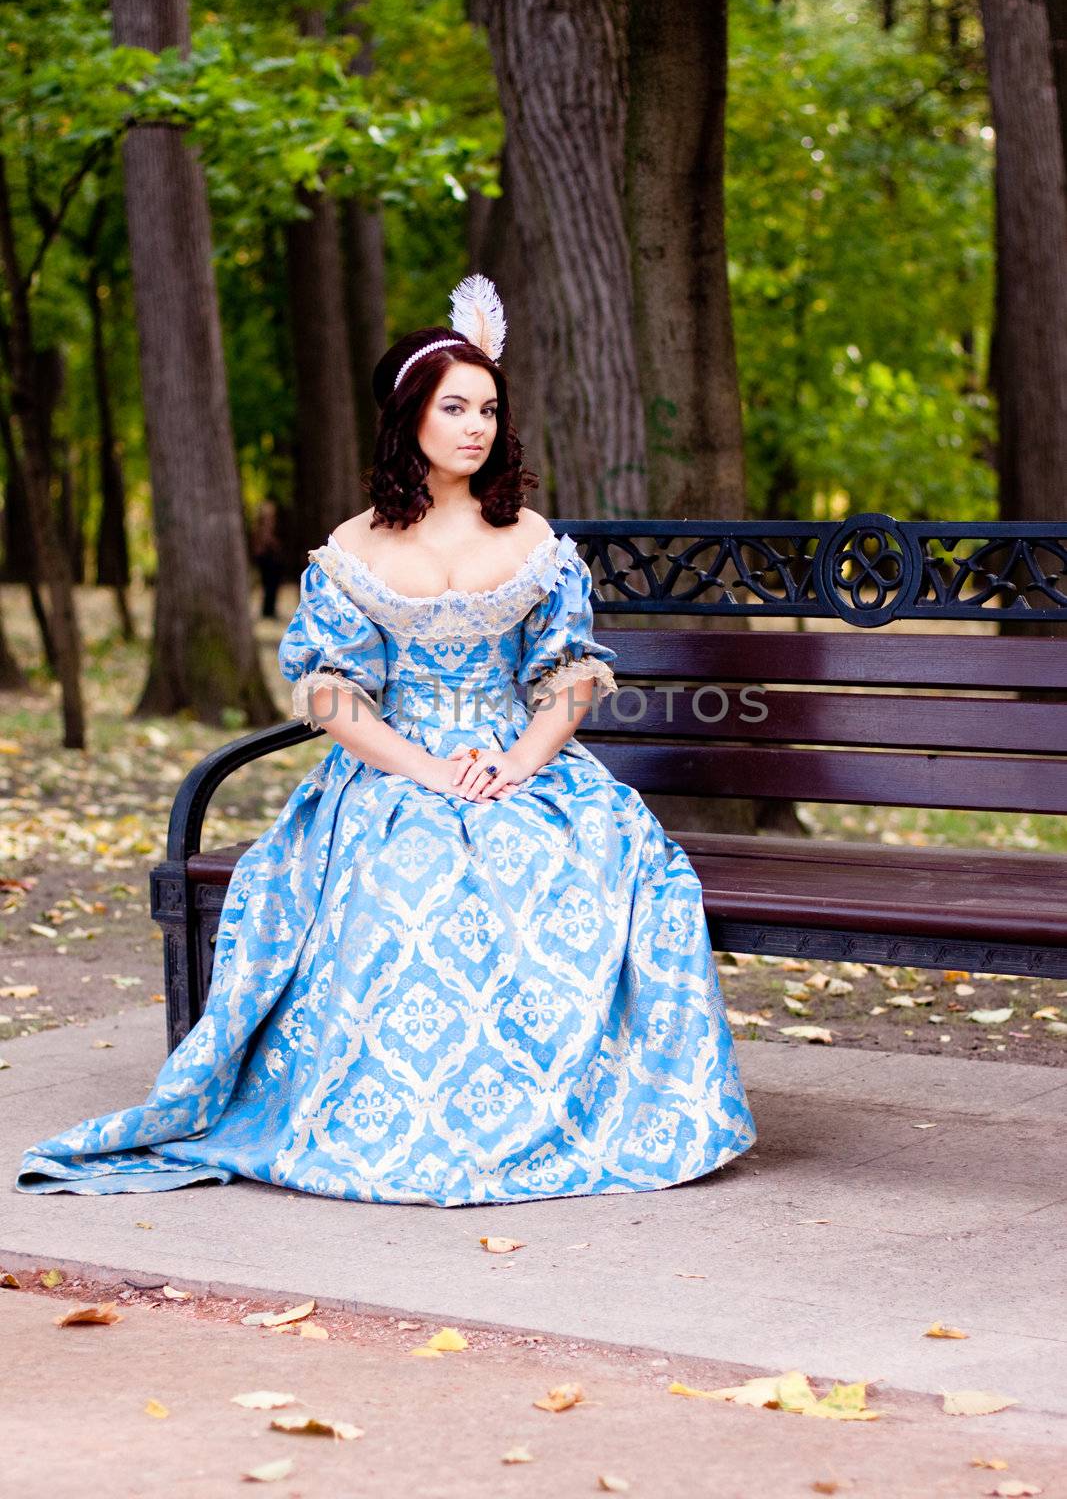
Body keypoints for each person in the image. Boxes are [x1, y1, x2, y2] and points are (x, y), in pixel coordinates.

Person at [14, 274, 756, 1206]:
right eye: (455, 407)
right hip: (393, 766)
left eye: (488, 408)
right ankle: (392, 1120)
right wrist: (430, 771)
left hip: (519, 763)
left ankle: (548, 1117)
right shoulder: (353, 549)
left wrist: (516, 762)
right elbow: (334, 699)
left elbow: (568, 675)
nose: (475, 426)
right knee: (402, 879)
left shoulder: (528, 536)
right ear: (410, 417)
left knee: (566, 866)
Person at [249, 498, 284, 619]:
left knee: (272, 586)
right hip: (265, 558)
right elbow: (259, 543)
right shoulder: (260, 527)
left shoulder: (273, 526)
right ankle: (267, 610)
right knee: (267, 586)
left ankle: (270, 609)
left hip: (272, 558)